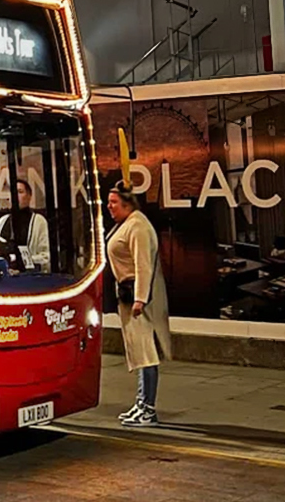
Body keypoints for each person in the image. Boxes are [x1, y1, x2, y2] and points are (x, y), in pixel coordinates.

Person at [107, 181, 171, 427]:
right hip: (128, 294)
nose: (109, 207)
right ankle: (141, 403)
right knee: (140, 352)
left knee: (146, 353)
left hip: (136, 296)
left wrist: (140, 299)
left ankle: (148, 407)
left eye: (113, 203)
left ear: (127, 204)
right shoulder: (128, 224)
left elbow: (143, 265)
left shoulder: (138, 227)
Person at [0, 178, 51, 272]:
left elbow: (46, 257)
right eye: (13, 192)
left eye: (20, 192)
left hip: (30, 279)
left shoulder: (39, 221)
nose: (15, 196)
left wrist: (22, 263)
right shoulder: (2, 221)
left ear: (29, 196)